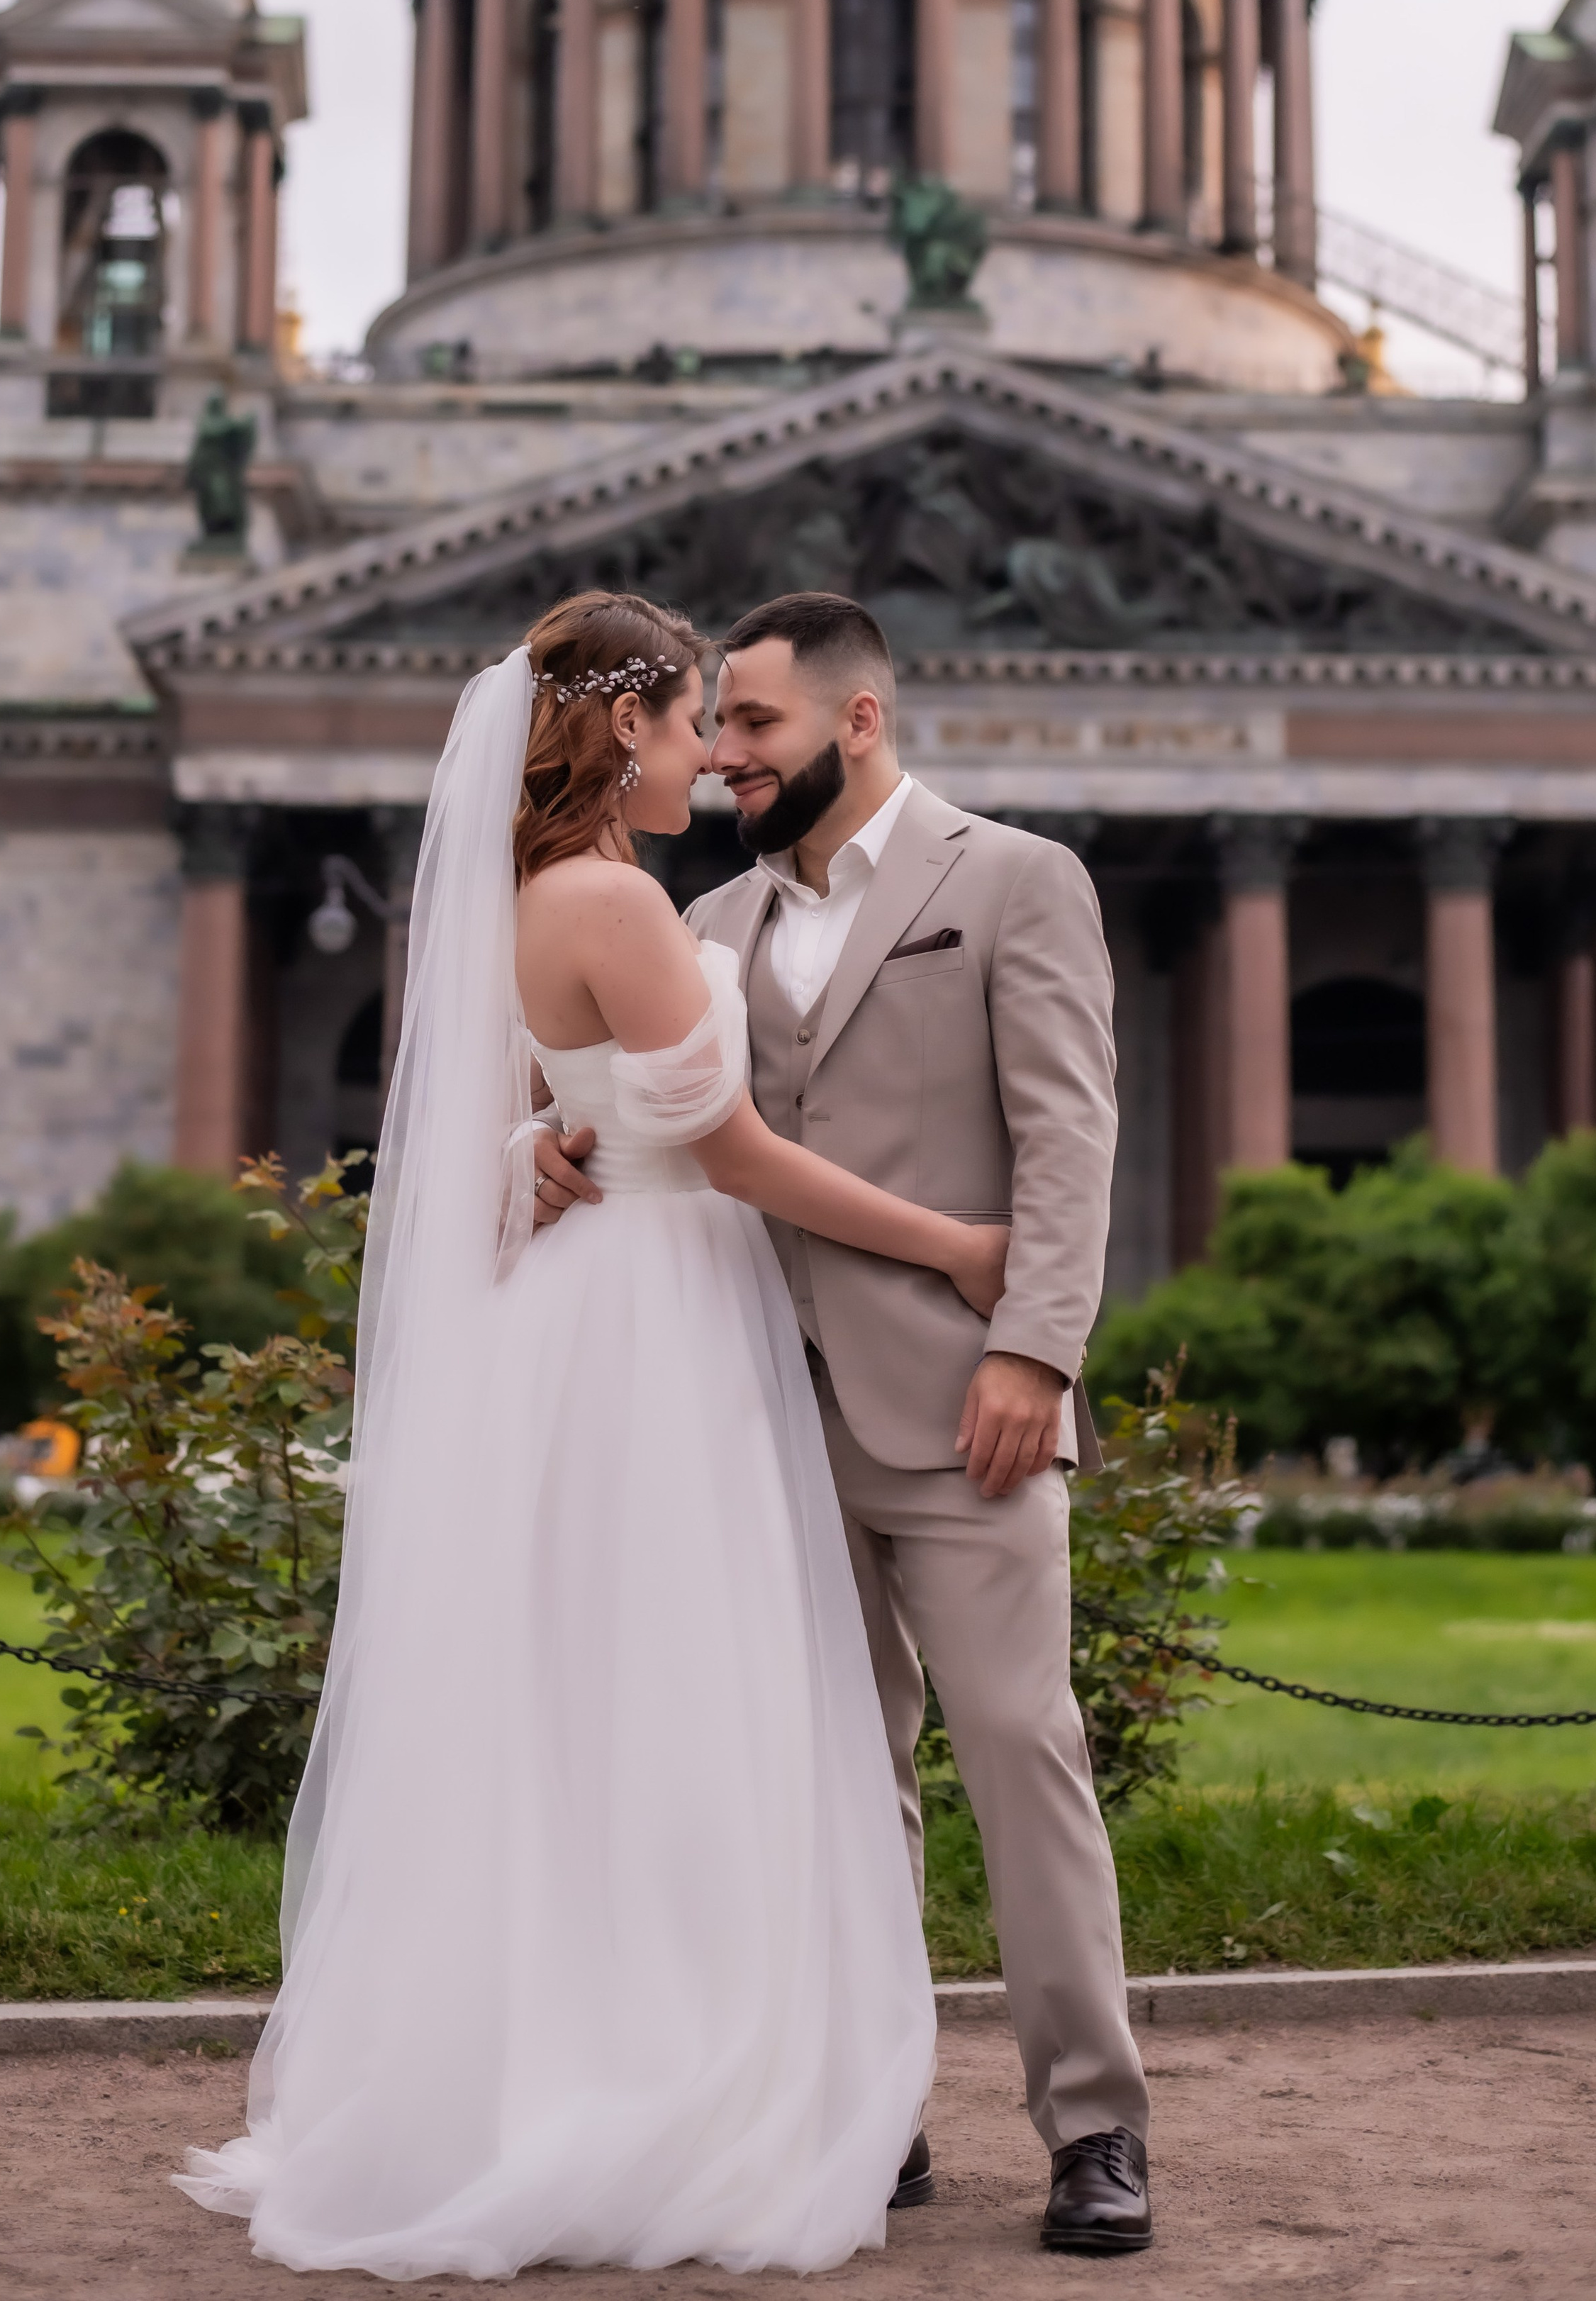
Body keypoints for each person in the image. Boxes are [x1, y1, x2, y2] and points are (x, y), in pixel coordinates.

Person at [176, 589, 1015, 2279]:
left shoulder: (516, 896)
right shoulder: (614, 904)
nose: (717, 751)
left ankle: (557, 2062)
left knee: (580, 1708)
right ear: (623, 726)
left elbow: (495, 1136)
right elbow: (742, 1159)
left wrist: (541, 1151)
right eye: (700, 716)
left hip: (583, 1317)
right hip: (659, 1318)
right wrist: (955, 1245)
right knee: (681, 1698)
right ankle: (661, 2087)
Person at [537, 590, 1153, 2257]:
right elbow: (640, 1118)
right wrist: (545, 1147)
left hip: (967, 1412)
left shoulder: (1015, 881)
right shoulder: (704, 916)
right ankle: (868, 2110)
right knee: (825, 1781)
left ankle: (1093, 2124)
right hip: (749, 1412)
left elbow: (1067, 1136)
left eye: (751, 727)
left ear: (855, 721)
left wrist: (1034, 1349)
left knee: (1023, 1756)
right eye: (713, 728)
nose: (721, 754)